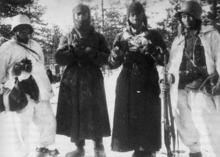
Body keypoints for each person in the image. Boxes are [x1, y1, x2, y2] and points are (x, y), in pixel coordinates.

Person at [108, 1, 167, 157]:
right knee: (129, 114)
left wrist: (153, 50)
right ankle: (135, 147)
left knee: (148, 114)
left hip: (148, 78)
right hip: (128, 79)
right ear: (128, 17)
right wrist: (117, 54)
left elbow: (165, 59)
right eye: (132, 14)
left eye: (138, 13)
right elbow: (112, 64)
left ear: (143, 15)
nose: (135, 17)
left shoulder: (153, 35)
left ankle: (148, 149)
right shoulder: (121, 36)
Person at [162, 1, 220, 157]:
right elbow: (172, 64)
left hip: (202, 87)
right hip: (180, 87)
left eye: (189, 16)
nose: (186, 20)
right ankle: (195, 153)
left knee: (209, 124)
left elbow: (219, 57)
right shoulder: (179, 39)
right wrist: (165, 78)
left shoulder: (210, 35)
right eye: (183, 16)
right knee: (185, 124)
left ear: (197, 17)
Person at [55, 4, 111, 157]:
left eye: (84, 14)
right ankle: (79, 147)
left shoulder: (98, 37)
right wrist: (72, 51)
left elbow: (107, 58)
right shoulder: (67, 37)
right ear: (74, 16)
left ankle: (98, 146)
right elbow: (58, 58)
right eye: (78, 14)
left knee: (95, 112)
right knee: (76, 112)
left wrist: (93, 53)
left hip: (92, 78)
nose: (81, 17)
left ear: (89, 15)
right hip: (73, 79)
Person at [0, 14, 59, 157]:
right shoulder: (6, 47)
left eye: (26, 28)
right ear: (14, 31)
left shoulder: (35, 45)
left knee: (49, 121)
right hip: (19, 92)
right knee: (22, 126)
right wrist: (14, 72)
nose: (23, 31)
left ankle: (42, 148)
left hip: (39, 90)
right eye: (19, 28)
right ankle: (21, 154)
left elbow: (41, 64)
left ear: (30, 29)